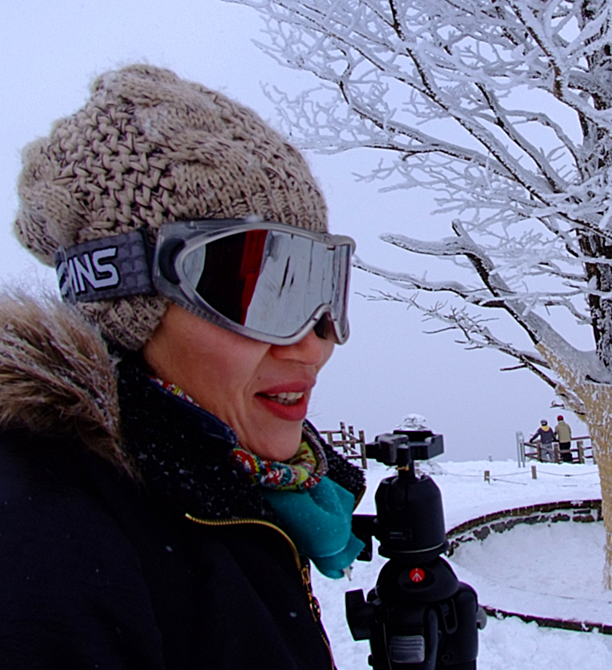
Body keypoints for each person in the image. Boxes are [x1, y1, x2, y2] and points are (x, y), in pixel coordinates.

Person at [0, 65, 365, 669]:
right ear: (126, 304)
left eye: (322, 286)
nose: (314, 345)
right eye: (262, 288)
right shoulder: (47, 546)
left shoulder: (221, 489)